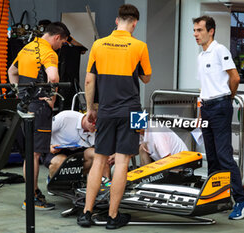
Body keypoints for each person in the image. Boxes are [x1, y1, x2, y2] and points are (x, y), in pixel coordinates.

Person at [77, 4, 152, 229]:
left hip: (106, 111)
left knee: (99, 160)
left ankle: (86, 214)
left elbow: (89, 80)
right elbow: (146, 78)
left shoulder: (98, 45)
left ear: (117, 21)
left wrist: (90, 108)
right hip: (132, 110)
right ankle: (112, 217)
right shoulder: (140, 46)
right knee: (122, 161)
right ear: (134, 23)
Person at [193, 16, 244, 220]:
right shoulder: (201, 56)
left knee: (224, 156)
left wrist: (228, 98)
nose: (195, 34)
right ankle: (218, 198)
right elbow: (203, 88)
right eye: (194, 30)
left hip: (220, 106)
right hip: (207, 107)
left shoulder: (219, 50)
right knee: (213, 157)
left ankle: (242, 201)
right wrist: (201, 111)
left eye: (199, 30)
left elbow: (235, 77)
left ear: (211, 31)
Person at [8, 22, 70, 210]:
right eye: (63, 42)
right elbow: (53, 77)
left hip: (24, 106)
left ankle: (32, 194)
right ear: (57, 37)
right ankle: (31, 198)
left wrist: (20, 94)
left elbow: (12, 72)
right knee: (35, 154)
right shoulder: (49, 52)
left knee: (30, 154)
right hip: (40, 108)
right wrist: (50, 100)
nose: (61, 47)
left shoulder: (26, 48)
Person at [42, 110, 101, 178]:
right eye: (96, 125)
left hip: (77, 150)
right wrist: (48, 146)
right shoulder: (66, 117)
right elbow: (41, 133)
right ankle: (54, 182)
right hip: (55, 148)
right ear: (89, 120)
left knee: (98, 155)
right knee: (61, 161)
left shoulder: (97, 128)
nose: (96, 128)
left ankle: (77, 179)